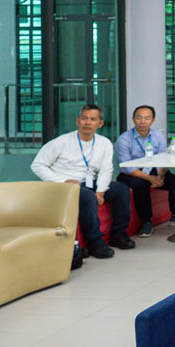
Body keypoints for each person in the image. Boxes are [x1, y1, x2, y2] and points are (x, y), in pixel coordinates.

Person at [31, 104, 134, 259]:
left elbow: (106, 170)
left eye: (92, 119)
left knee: (121, 189)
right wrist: (63, 181)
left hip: (88, 183)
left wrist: (100, 191)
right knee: (87, 196)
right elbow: (37, 165)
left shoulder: (104, 143)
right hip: (63, 187)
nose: (87, 123)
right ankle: (94, 242)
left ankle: (118, 235)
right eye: (84, 118)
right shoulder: (61, 142)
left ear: (100, 124)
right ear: (77, 121)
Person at [115, 105, 175, 237]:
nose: (142, 121)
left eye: (147, 118)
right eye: (139, 118)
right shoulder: (124, 139)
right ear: (133, 119)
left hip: (155, 170)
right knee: (141, 185)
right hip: (132, 173)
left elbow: (163, 159)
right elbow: (126, 166)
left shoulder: (158, 137)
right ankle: (146, 221)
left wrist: (160, 176)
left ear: (153, 120)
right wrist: (149, 178)